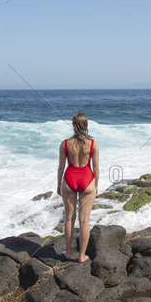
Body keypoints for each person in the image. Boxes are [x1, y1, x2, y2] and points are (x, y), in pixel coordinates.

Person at [57, 113, 99, 263]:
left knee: (69, 219)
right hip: (87, 179)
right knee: (84, 221)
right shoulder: (93, 144)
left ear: (73, 125)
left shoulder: (65, 144)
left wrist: (58, 184)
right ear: (86, 125)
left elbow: (61, 167)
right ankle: (82, 255)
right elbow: (96, 168)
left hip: (69, 179)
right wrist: (96, 185)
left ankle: (68, 253)